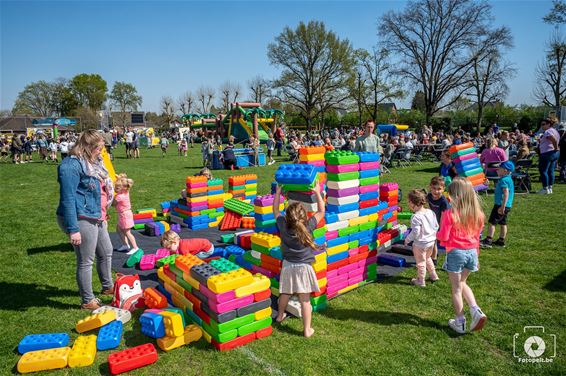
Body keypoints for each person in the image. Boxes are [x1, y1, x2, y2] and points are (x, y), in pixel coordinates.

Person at [56, 130, 115, 310]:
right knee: (86, 260)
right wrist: (73, 229)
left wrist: (103, 211)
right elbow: (68, 199)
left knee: (106, 251)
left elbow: (96, 191)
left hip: (95, 213)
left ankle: (108, 287)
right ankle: (87, 300)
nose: (101, 151)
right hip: (79, 216)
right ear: (88, 147)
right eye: (98, 148)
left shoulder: (93, 163)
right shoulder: (70, 166)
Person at [273, 183, 324, 338]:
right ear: (304, 216)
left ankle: (280, 315)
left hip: (288, 266)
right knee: (305, 300)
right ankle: (307, 330)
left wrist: (278, 193)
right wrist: (317, 192)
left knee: (285, 293)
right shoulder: (309, 226)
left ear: (288, 217)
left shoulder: (282, 225)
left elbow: (275, 210)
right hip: (304, 268)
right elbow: (322, 210)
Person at [436, 177, 487, 334]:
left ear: (455, 196)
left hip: (456, 252)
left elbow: (443, 237)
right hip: (472, 252)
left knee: (456, 289)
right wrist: (476, 257)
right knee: (463, 283)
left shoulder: (449, 214)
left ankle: (460, 321)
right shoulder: (479, 214)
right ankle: (475, 310)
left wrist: (436, 233)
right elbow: (477, 237)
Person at [404, 189, 439, 287]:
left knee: (421, 262)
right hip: (431, 242)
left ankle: (420, 280)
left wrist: (407, 239)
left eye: (409, 202)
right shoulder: (430, 212)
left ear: (412, 203)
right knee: (427, 258)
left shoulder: (416, 217)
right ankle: (433, 275)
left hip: (420, 244)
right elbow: (436, 226)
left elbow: (415, 232)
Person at [480, 161, 515, 248]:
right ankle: (501, 241)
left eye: (499, 169)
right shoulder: (508, 179)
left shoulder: (504, 180)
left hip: (500, 205)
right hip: (507, 205)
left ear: (505, 170)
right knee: (503, 223)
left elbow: (506, 193)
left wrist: (502, 206)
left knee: (492, 222)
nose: (497, 170)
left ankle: (488, 240)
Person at [113, 173, 140, 254]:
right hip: (123, 214)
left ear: (123, 188)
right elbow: (124, 179)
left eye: (117, 188)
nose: (115, 189)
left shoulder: (120, 196)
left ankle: (135, 247)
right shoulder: (125, 192)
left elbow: (113, 204)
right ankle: (125, 245)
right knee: (118, 229)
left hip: (125, 215)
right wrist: (119, 177)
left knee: (127, 232)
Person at [426, 176, 450, 265]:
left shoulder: (443, 201)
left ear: (443, 189)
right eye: (434, 188)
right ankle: (434, 258)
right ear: (430, 187)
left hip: (445, 223)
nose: (436, 191)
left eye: (439, 189)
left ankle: (450, 259)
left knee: (446, 241)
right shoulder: (429, 196)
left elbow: (446, 216)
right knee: (433, 240)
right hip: (434, 223)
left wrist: (441, 227)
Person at [537, 118, 560, 194]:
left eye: (543, 124)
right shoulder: (555, 131)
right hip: (554, 153)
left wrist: (556, 147)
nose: (542, 126)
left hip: (548, 153)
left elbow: (554, 140)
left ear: (548, 124)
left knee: (543, 170)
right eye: (541, 124)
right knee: (551, 171)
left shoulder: (548, 131)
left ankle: (545, 188)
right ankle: (550, 188)